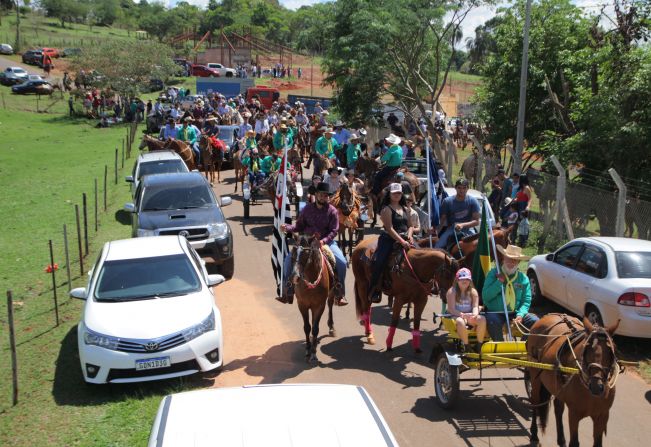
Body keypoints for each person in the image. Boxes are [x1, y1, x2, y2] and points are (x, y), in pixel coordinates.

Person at [280, 182, 348, 306]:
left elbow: (334, 230)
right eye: (321, 195)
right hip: (306, 242)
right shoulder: (307, 209)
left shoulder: (332, 211)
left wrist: (323, 241)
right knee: (288, 261)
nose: (323, 197)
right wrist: (288, 228)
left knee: (342, 262)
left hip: (326, 242)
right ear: (316, 195)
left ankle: (340, 293)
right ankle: (287, 289)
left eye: (326, 195)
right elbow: (299, 225)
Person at [368, 183, 415, 303]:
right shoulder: (386, 209)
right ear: (389, 194)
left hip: (405, 238)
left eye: (399, 193)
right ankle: (374, 289)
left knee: (423, 256)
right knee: (380, 261)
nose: (397, 195)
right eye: (394, 193)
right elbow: (389, 228)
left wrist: (409, 236)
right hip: (389, 239)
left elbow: (411, 226)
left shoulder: (405, 208)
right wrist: (402, 241)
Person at [482, 245, 539, 341]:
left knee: (535, 322)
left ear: (519, 262)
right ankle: (499, 347)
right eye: (508, 259)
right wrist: (498, 283)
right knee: (492, 321)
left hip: (515, 312)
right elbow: (485, 296)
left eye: (514, 260)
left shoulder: (523, 278)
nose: (511, 263)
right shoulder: (493, 274)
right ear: (503, 259)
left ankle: (524, 346)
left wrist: (520, 314)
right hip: (496, 312)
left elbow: (526, 300)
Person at [447, 268, 486, 351]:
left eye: (467, 279)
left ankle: (479, 344)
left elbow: (475, 306)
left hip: (469, 315)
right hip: (456, 315)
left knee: (482, 319)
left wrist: (474, 314)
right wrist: (461, 315)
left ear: (470, 280)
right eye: (462, 279)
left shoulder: (473, 291)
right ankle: (466, 345)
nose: (465, 281)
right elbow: (451, 309)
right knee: (460, 321)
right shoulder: (452, 291)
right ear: (457, 280)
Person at [434, 178, 480, 249]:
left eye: (464, 188)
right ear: (455, 188)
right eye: (459, 188)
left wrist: (462, 225)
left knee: (478, 247)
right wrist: (436, 232)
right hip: (452, 229)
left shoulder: (473, 201)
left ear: (468, 188)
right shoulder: (447, 201)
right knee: (437, 247)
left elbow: (477, 221)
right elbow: (442, 220)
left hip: (469, 230)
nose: (461, 190)